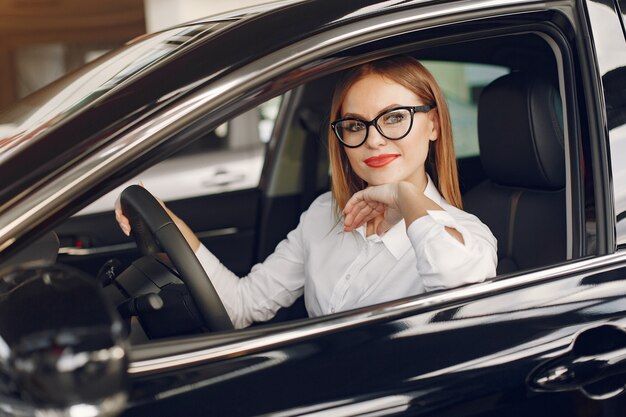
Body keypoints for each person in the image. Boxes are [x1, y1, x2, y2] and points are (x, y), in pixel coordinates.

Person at [116, 55, 497, 329]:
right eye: (354, 125)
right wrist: (169, 222)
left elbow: (463, 298)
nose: (374, 140)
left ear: (433, 125)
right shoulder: (324, 214)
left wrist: (406, 198)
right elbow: (242, 307)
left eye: (395, 118)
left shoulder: (465, 236)